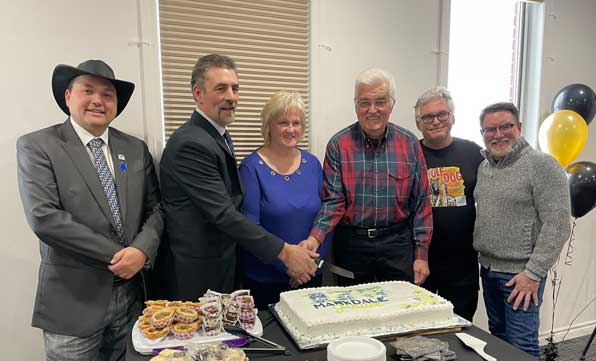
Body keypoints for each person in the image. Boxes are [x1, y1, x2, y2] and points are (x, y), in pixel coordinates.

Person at [16, 60, 163, 361]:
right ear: (68, 97)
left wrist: (142, 250)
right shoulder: (38, 145)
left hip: (129, 299)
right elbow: (46, 218)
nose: (98, 100)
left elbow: (156, 210)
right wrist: (121, 254)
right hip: (72, 301)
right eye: (88, 90)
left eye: (108, 94)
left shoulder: (134, 149)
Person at [159, 54, 318, 299]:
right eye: (221, 88)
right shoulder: (191, 143)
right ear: (198, 93)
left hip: (224, 266)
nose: (231, 97)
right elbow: (224, 213)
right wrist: (286, 253)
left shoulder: (217, 135)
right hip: (198, 274)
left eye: (235, 88)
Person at [474, 102, 571, 361]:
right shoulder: (486, 167)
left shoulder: (542, 165)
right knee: (500, 347)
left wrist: (532, 273)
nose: (498, 134)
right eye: (490, 129)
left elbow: (559, 224)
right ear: (482, 133)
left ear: (519, 126)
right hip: (489, 270)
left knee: (525, 351)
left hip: (521, 279)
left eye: (505, 126)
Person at [301, 67, 432, 286]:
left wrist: (421, 255)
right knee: (352, 312)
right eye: (364, 102)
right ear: (356, 105)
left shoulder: (409, 143)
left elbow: (421, 204)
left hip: (397, 244)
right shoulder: (338, 145)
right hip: (353, 245)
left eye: (380, 101)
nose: (372, 110)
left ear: (391, 104)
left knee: (398, 312)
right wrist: (316, 237)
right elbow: (333, 202)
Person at [239, 92, 329, 309]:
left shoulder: (312, 164)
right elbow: (251, 228)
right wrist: (290, 265)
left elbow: (326, 216)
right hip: (266, 280)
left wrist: (309, 265)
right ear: (269, 125)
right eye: (283, 123)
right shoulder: (251, 167)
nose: (291, 129)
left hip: (310, 276)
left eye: (296, 123)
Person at [414, 87, 483, 321]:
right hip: (419, 261)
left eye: (442, 114)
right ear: (418, 124)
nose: (436, 121)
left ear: (452, 117)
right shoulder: (409, 154)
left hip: (462, 264)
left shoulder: (473, 152)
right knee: (418, 331)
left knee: (461, 329)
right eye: (427, 117)